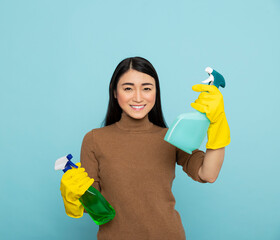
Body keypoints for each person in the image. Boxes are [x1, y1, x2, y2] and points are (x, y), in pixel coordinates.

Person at [59, 56, 231, 239]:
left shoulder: (171, 137)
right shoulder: (94, 140)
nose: (138, 97)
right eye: (128, 88)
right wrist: (76, 195)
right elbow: (93, 208)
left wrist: (217, 122)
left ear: (156, 92)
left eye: (147, 88)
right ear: (115, 92)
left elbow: (208, 174)